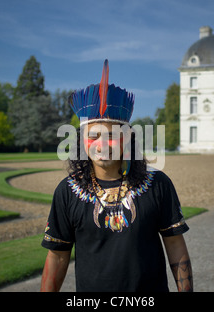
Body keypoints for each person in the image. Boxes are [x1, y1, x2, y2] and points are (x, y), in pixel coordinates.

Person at [40, 60, 192, 292]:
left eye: (112, 135)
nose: (102, 145)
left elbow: (174, 244)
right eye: (93, 136)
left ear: (128, 138)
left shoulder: (158, 184)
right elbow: (58, 257)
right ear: (82, 141)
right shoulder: (67, 191)